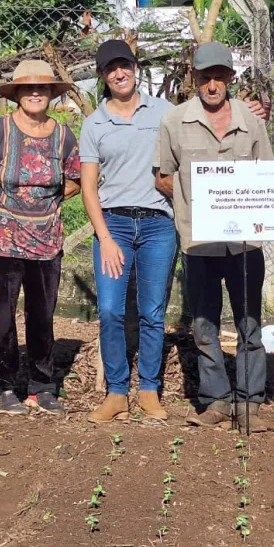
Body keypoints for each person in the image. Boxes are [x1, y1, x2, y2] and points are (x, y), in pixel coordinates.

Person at [155, 42, 274, 431]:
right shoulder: (174, 121)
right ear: (194, 78)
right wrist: (196, 201)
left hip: (244, 243)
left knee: (249, 323)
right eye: (204, 77)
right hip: (198, 241)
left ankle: (250, 401)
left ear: (230, 78)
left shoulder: (251, 121)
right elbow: (162, 177)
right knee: (204, 325)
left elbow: (268, 174)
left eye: (218, 77)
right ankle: (216, 400)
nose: (211, 85)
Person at [0, 60, 81, 416]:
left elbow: (75, 181)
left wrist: (46, 204)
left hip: (46, 240)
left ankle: (41, 386)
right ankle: (1, 386)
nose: (35, 93)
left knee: (42, 315)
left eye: (42, 88)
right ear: (16, 94)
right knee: (0, 316)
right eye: (28, 88)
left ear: (51, 94)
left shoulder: (63, 136)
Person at [80, 40, 177, 422]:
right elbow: (88, 188)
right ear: (103, 76)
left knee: (152, 311)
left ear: (135, 68)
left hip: (158, 224)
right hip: (115, 225)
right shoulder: (95, 123)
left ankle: (149, 389)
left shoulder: (164, 112)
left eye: (124, 65)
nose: (119, 73)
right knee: (109, 310)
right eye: (111, 68)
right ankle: (117, 391)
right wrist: (104, 238)